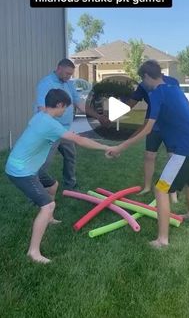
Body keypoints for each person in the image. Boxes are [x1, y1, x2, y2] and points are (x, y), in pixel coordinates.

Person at [107, 60, 189, 248]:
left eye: (141, 79)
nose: (142, 83)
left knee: (160, 189)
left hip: (185, 148)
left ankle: (162, 240)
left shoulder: (156, 94)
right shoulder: (173, 87)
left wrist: (121, 147)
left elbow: (147, 129)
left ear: (146, 76)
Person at [5, 89, 112, 264]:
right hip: (21, 171)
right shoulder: (49, 123)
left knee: (53, 185)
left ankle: (49, 218)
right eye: (66, 109)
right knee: (47, 205)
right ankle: (33, 252)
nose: (65, 112)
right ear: (60, 105)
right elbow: (78, 141)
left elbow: (68, 135)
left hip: (28, 166)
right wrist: (105, 147)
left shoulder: (41, 115)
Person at [35, 58, 108, 190]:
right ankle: (36, 190)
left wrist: (98, 116)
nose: (69, 77)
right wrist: (52, 128)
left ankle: (70, 184)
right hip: (50, 131)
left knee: (71, 156)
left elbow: (79, 103)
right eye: (67, 73)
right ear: (59, 68)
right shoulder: (46, 83)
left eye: (71, 74)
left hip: (66, 130)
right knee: (43, 163)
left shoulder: (68, 84)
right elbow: (42, 109)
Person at [126, 72, 179, 203]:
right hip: (153, 124)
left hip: (170, 125)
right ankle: (147, 187)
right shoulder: (143, 85)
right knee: (149, 155)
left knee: (172, 157)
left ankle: (172, 191)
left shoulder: (172, 81)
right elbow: (131, 103)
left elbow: (178, 101)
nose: (143, 81)